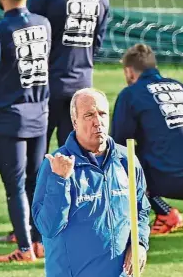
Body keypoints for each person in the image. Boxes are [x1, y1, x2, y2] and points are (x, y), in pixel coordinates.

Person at [111, 44, 183, 233]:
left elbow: (118, 143)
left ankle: (165, 213)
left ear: (129, 72)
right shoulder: (181, 88)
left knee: (121, 159)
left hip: (175, 180)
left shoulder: (130, 94)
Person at [32, 88, 150, 277]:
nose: (98, 122)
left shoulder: (125, 159)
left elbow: (140, 209)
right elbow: (49, 227)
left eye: (102, 114)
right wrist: (59, 181)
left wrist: (140, 243)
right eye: (88, 115)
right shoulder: (56, 164)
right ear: (74, 122)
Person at [27, 0, 110, 152]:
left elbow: (30, 38)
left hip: (46, 86)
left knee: (37, 160)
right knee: (76, 157)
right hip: (82, 86)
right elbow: (97, 42)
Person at [0, 0, 50, 262]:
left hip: (10, 117)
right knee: (35, 183)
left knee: (15, 187)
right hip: (39, 114)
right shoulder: (44, 24)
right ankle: (40, 243)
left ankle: (25, 248)